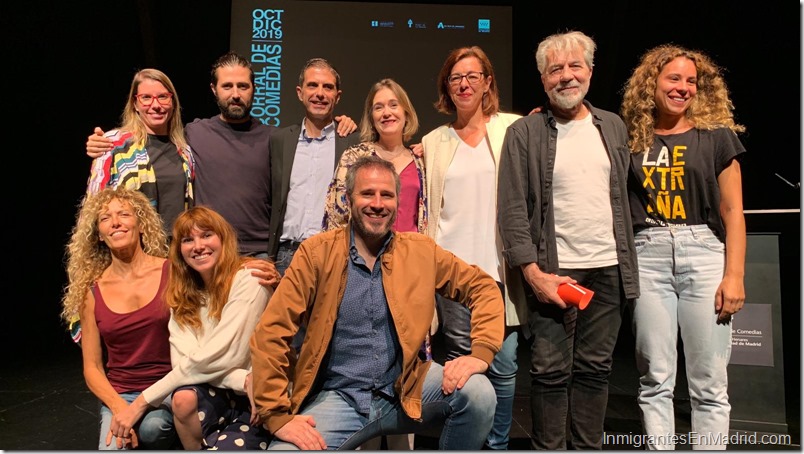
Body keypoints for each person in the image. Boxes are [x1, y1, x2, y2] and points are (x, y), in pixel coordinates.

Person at [250, 156, 503, 450]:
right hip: (339, 397)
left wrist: (481, 353)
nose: (377, 203)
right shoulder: (316, 254)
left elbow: (482, 286)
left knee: (479, 394)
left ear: (397, 201)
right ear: (348, 198)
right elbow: (272, 331)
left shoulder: (420, 251)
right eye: (367, 193)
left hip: (405, 387)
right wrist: (276, 415)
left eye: (387, 195)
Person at [496, 31, 640, 449]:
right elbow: (512, 209)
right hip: (553, 270)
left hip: (608, 268)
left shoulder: (612, 125)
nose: (566, 76)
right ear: (543, 79)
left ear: (590, 73)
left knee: (596, 370)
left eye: (575, 66)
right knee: (549, 371)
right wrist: (532, 272)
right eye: (555, 69)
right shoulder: (524, 132)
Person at [86, 52, 355, 259]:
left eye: (242, 86)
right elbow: (149, 130)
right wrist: (104, 142)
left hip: (259, 256)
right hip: (206, 253)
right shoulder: (192, 134)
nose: (235, 94)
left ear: (254, 89)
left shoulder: (276, 138)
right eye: (227, 87)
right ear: (214, 90)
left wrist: (342, 123)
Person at [620, 44, 746, 450]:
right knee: (655, 376)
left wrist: (735, 275)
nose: (683, 88)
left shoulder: (716, 137)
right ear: (651, 84)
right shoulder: (629, 137)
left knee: (709, 380)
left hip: (704, 252)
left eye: (691, 81)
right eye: (674, 78)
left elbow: (733, 211)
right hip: (648, 253)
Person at [420, 45, 525, 450]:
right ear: (447, 86)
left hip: (500, 272)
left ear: (487, 82)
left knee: (505, 365)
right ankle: (468, 441)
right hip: (452, 274)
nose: (464, 84)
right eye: (455, 77)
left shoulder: (513, 129)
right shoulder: (434, 141)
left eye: (472, 76)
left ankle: (497, 445)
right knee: (465, 368)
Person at [104, 206, 273, 450]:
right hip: (234, 384)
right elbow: (188, 360)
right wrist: (242, 378)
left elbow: (225, 355)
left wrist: (141, 402)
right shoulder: (183, 294)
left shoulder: (249, 279)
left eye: (206, 235)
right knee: (183, 397)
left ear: (223, 238)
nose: (197, 246)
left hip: (257, 394)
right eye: (187, 240)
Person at [321, 78, 427, 450]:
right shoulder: (355, 157)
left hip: (410, 276)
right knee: (367, 368)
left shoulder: (421, 158)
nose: (387, 112)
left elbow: (424, 218)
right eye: (379, 106)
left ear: (406, 112)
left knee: (407, 375)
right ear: (371, 115)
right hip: (364, 273)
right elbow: (334, 214)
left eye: (393, 105)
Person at [61, 187, 176, 450]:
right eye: (105, 218)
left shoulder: (171, 272)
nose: (115, 222)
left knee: (152, 429)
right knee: (113, 446)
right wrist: (120, 409)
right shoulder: (91, 291)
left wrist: (247, 264)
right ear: (100, 236)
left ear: (141, 224)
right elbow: (92, 367)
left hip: (168, 388)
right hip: (121, 394)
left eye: (124, 214)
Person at [267, 58, 361, 276]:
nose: (320, 93)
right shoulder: (280, 140)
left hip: (334, 254)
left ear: (337, 96)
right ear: (300, 93)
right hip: (285, 256)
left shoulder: (352, 141)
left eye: (327, 87)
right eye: (313, 85)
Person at [86, 68, 194, 237]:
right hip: (132, 251)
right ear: (135, 104)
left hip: (176, 251)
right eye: (146, 98)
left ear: (173, 102)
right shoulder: (114, 144)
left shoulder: (185, 152)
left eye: (163, 97)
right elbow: (94, 203)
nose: (156, 105)